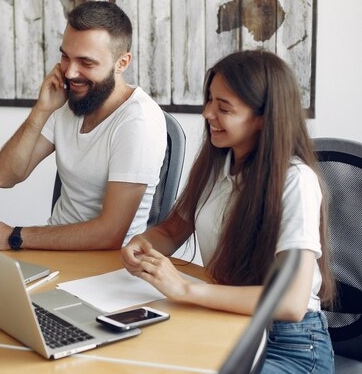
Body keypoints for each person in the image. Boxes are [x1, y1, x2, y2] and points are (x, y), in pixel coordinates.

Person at [122, 50, 335, 373]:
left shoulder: (295, 181)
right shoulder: (217, 163)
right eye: (209, 100)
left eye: (224, 108)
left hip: (291, 345)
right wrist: (142, 245)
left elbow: (291, 303)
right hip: (226, 323)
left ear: (263, 117)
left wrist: (185, 289)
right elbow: (171, 230)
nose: (208, 113)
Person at [0, 1, 167, 251]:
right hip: (52, 252)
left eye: (86, 63)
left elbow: (109, 234)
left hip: (106, 265)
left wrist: (14, 236)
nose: (69, 73)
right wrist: (41, 110)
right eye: (65, 57)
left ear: (122, 63)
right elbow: (5, 177)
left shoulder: (139, 121)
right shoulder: (68, 103)